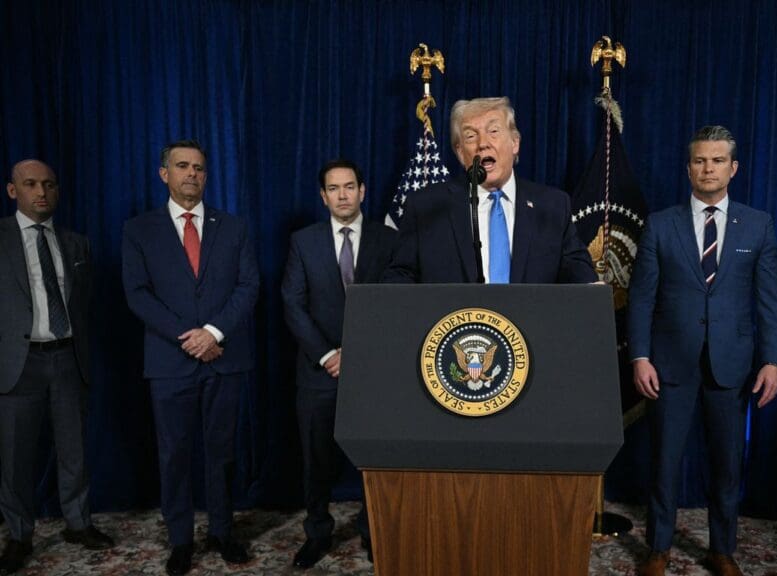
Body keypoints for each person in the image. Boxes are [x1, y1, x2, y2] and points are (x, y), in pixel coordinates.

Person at [628, 126, 777, 576]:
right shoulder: (661, 224)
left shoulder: (758, 224)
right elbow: (641, 298)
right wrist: (640, 356)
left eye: (717, 161)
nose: (708, 168)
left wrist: (772, 361)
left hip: (732, 364)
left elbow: (771, 301)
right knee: (664, 462)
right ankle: (658, 547)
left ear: (733, 168)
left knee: (727, 463)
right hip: (669, 363)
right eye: (700, 160)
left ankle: (722, 549)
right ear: (688, 169)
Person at [122, 140, 259, 576]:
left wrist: (213, 333)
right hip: (170, 361)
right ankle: (180, 540)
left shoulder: (233, 227)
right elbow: (138, 294)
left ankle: (222, 531)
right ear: (164, 174)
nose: (191, 174)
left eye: (199, 167)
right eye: (182, 166)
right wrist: (190, 338)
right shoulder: (139, 230)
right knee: (174, 455)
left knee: (222, 453)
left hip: (224, 357)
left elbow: (248, 286)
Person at [0, 160, 114, 575]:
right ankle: (19, 534)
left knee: (74, 448)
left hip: (67, 358)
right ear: (13, 190)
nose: (41, 192)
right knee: (15, 457)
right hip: (18, 363)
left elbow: (85, 305)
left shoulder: (76, 243)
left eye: (48, 184)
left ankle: (78, 524)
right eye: (30, 184)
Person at [281, 159, 396, 568]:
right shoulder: (303, 241)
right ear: (323, 195)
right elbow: (292, 303)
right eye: (334, 188)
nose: (342, 195)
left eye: (349, 186)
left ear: (362, 191)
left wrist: (358, 353)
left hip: (372, 371)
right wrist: (329, 355)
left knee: (374, 457)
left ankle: (372, 531)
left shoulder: (389, 239)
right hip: (319, 371)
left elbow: (396, 303)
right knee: (316, 460)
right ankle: (317, 533)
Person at [383, 96, 595, 284]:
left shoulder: (553, 206)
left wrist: (590, 287)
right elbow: (400, 276)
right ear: (460, 153)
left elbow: (578, 270)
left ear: (515, 143)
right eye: (470, 136)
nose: (483, 143)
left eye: (493, 131)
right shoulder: (427, 207)